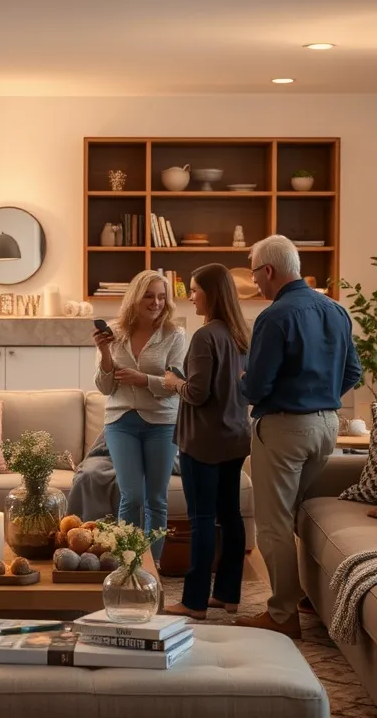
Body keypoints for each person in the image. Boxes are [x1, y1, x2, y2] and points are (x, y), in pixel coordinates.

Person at [234, 235, 361, 638]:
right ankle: (305, 595)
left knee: (272, 523)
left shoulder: (274, 317)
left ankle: (282, 613)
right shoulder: (336, 310)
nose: (255, 282)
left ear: (268, 270)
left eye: (254, 273)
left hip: (286, 428)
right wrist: (322, 398)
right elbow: (353, 372)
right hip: (326, 427)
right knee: (294, 512)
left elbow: (256, 387)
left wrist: (242, 381)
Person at [161, 264, 251, 620]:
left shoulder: (204, 336)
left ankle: (194, 601)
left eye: (195, 289)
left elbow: (197, 393)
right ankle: (228, 594)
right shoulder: (241, 334)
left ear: (210, 294)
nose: (190, 296)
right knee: (230, 515)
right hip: (234, 437)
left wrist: (173, 382)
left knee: (200, 519)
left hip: (202, 441)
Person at [94, 270, 186, 563]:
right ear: (135, 297)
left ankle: (151, 566)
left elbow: (175, 385)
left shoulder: (175, 334)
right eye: (149, 295)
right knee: (131, 496)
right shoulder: (114, 331)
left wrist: (142, 379)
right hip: (121, 422)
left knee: (155, 500)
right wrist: (105, 352)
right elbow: (106, 387)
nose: (156, 302)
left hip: (161, 422)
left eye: (161, 296)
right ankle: (127, 563)